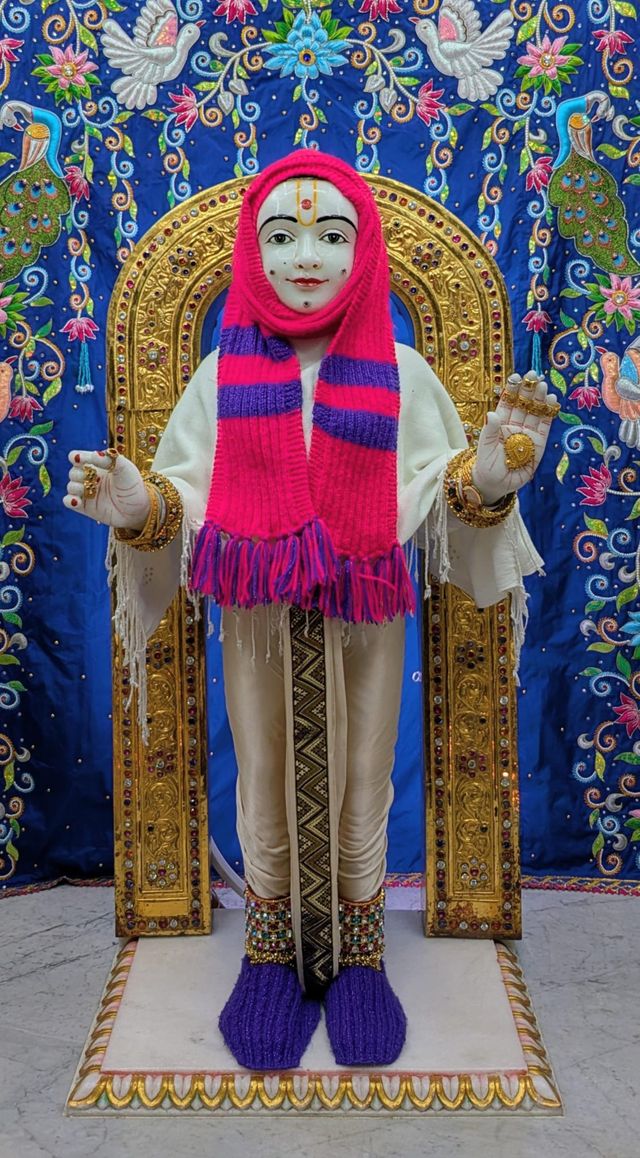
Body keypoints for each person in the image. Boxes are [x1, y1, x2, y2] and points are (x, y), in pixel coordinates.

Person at [64, 150, 556, 1071]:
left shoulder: (400, 370)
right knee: (261, 776)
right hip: (258, 615)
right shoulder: (224, 374)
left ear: (362, 253)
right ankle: (269, 955)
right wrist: (136, 504)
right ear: (252, 256)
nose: (306, 257)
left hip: (365, 609)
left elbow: (436, 491)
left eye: (331, 236)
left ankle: (361, 958)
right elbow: (186, 494)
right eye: (282, 236)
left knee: (366, 774)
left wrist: (490, 477)